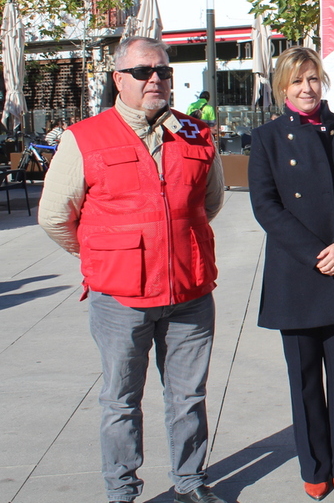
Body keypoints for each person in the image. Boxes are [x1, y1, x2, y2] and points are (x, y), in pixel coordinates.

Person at [37, 36, 227, 503]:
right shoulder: (85, 137)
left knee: (189, 399)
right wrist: (102, 255)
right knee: (120, 401)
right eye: (143, 72)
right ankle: (122, 490)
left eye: (163, 71)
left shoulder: (194, 132)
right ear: (119, 79)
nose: (156, 79)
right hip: (120, 298)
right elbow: (55, 215)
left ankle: (190, 483)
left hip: (189, 292)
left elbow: (211, 201)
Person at [249, 46, 334, 500]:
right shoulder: (265, 138)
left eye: (314, 79)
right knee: (303, 379)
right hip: (297, 274)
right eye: (298, 80)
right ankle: (314, 466)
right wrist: (316, 253)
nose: (307, 88)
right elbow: (266, 205)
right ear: (283, 86)